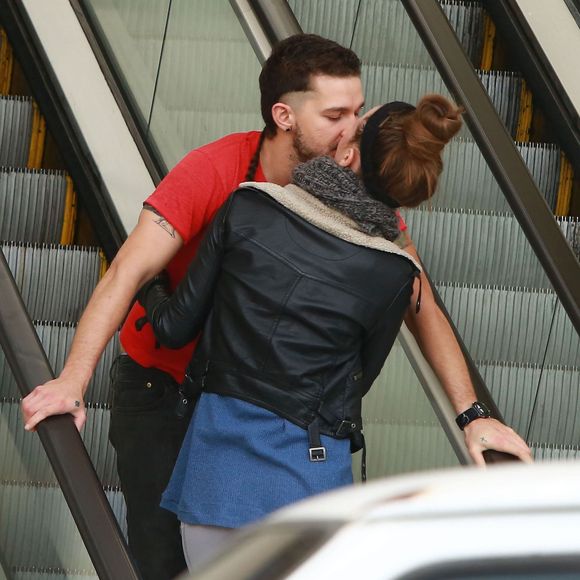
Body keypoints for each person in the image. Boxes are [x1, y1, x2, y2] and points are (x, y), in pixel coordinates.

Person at [20, 34, 532, 580]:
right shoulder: (219, 172)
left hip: (263, 414)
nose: (351, 129)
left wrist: (472, 415)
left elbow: (421, 307)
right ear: (284, 115)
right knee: (165, 561)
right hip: (163, 388)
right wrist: (74, 378)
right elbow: (129, 272)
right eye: (336, 114)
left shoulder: (363, 202)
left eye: (357, 112)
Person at [134, 94, 526, 572]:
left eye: (351, 124)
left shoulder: (248, 205)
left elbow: (174, 327)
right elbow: (353, 383)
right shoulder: (396, 274)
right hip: (316, 485)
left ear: (346, 155)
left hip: (219, 474)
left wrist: (149, 280)